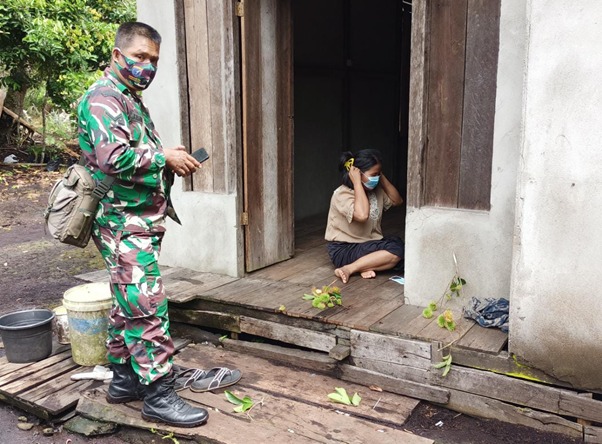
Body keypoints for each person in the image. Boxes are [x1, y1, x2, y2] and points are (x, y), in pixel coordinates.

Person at [78, 22, 207, 427]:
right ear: (118, 55)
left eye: (153, 59)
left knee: (128, 303)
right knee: (147, 307)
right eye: (140, 57)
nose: (147, 66)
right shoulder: (103, 98)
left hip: (135, 219)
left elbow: (133, 152)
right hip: (121, 222)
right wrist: (163, 156)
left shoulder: (126, 97)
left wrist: (167, 155)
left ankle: (123, 380)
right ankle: (158, 395)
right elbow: (112, 158)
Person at [325, 149, 404, 284]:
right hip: (345, 249)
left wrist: (381, 176)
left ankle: (365, 266)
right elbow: (362, 215)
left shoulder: (375, 191)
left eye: (378, 174)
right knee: (396, 250)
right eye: (373, 175)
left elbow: (398, 201)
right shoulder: (342, 194)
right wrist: (357, 182)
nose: (376, 178)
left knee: (401, 249)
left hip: (367, 245)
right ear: (358, 174)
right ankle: (349, 268)